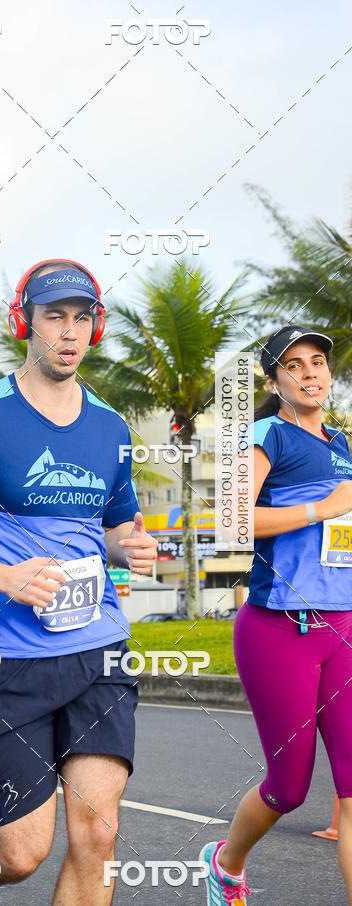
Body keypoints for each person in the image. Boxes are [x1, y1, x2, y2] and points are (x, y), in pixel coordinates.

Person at [0, 258, 158, 906]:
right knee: (21, 852)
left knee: (98, 834)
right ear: (25, 323)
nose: (68, 332)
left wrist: (129, 547)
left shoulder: (110, 427)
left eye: (81, 318)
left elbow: (110, 533)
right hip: (7, 655)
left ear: (95, 329)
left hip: (97, 645)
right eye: (54, 317)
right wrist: (1, 576)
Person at [201, 325, 352, 905]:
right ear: (275, 380)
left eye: (318, 362)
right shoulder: (269, 435)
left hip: (344, 627)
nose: (311, 373)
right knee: (288, 788)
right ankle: (226, 862)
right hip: (281, 629)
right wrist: (321, 507)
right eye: (295, 365)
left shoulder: (342, 443)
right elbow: (231, 524)